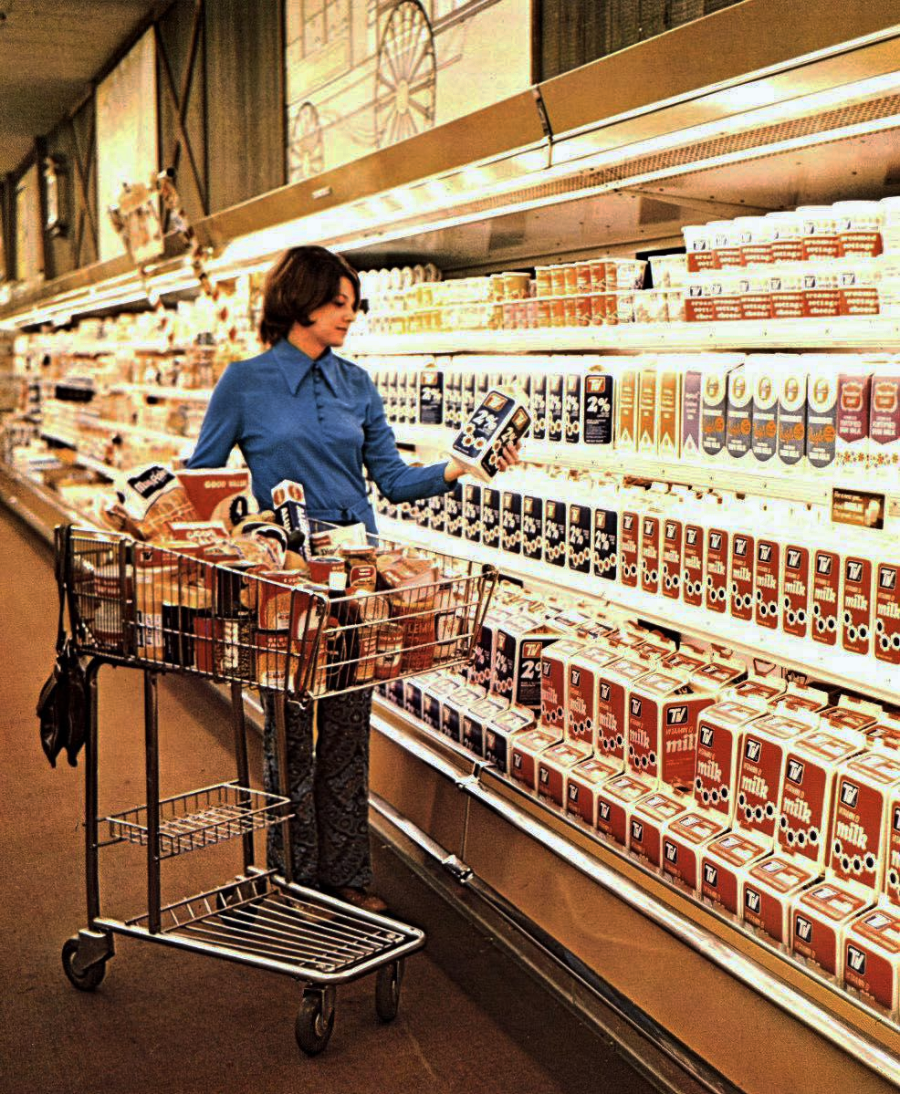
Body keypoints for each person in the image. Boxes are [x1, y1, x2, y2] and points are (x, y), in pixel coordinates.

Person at [186, 245, 520, 912]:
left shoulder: (358, 385)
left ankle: (347, 877)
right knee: (288, 733)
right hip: (284, 582)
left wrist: (460, 467)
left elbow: (392, 480)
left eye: (352, 303)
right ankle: (294, 879)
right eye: (338, 302)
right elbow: (203, 481)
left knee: (346, 729)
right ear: (298, 301)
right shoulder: (244, 383)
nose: (349, 315)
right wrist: (246, 533)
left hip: (357, 580)